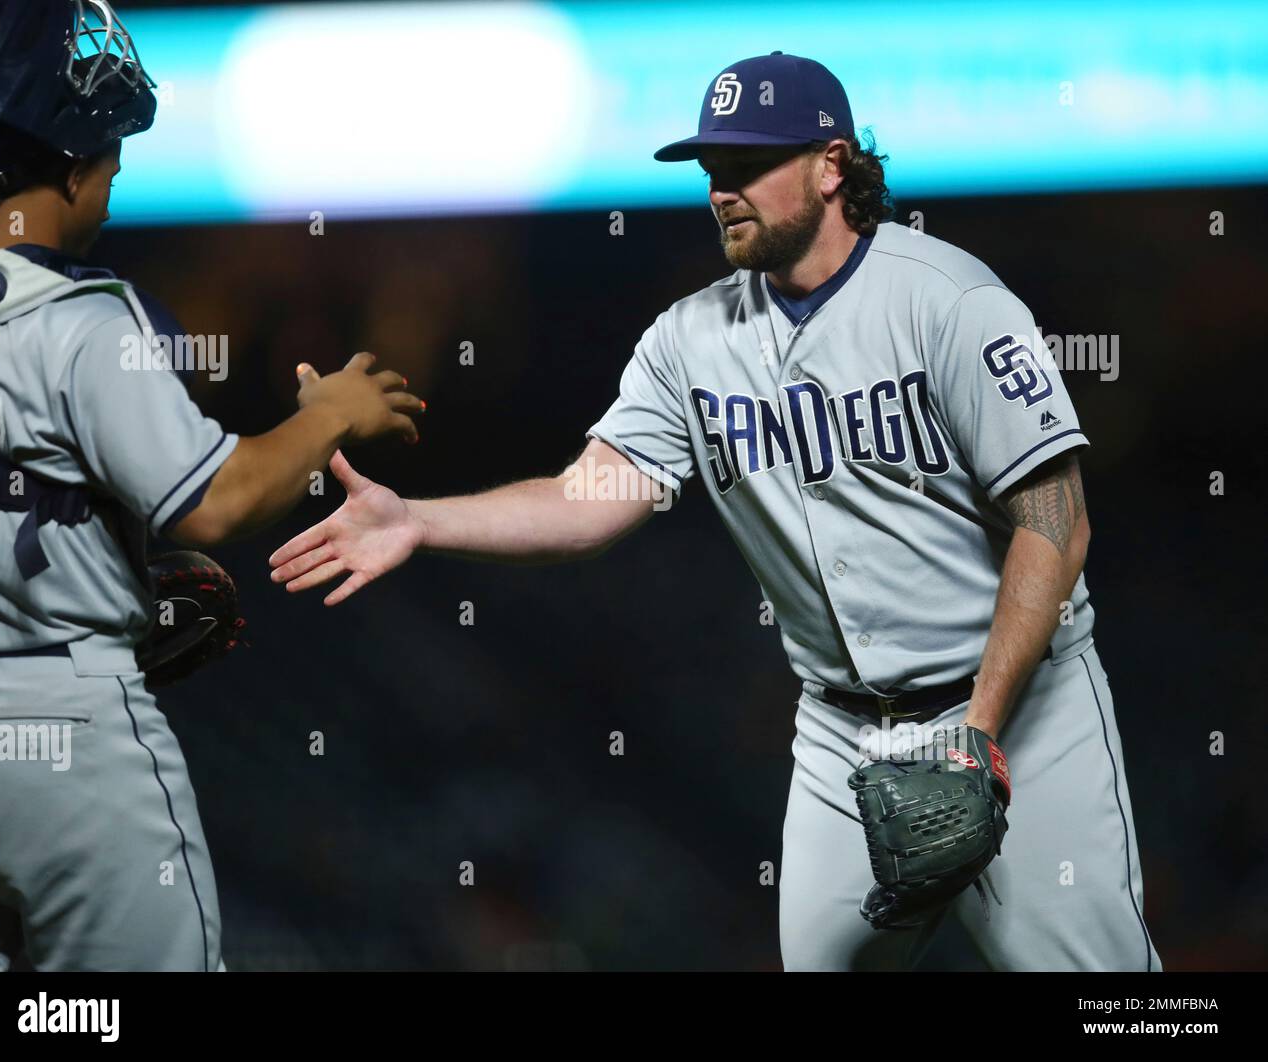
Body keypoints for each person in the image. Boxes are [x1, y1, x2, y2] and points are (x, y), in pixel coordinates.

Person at [269, 52, 1159, 971]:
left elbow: (1057, 523)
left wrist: (978, 731)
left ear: (830, 165)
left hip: (1022, 711)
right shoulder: (691, 340)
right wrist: (419, 519)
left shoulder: (951, 301)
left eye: (747, 166)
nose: (720, 190)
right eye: (711, 170)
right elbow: (589, 498)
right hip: (843, 734)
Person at [0, 0, 421, 971]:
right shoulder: (81, 319)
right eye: (113, 156)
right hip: (67, 732)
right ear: (74, 159)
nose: (117, 180)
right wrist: (332, 410)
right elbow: (215, 499)